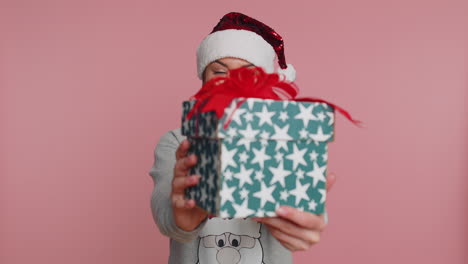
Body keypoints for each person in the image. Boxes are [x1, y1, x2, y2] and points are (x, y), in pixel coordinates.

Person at [149, 12, 336, 264]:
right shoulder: (177, 140)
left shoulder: (284, 139)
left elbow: (304, 211)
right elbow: (166, 215)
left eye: (249, 73)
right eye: (220, 72)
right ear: (203, 80)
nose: (234, 83)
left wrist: (308, 222)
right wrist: (183, 214)